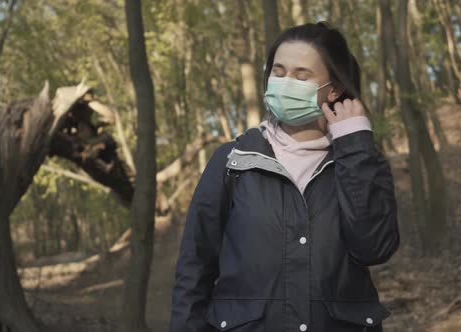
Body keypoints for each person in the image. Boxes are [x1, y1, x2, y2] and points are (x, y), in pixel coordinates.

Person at [170, 22, 400, 332]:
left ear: (333, 88)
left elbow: (374, 248)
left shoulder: (361, 161)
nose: (285, 82)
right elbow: (194, 267)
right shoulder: (232, 161)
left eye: (302, 75)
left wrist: (354, 147)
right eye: (278, 72)